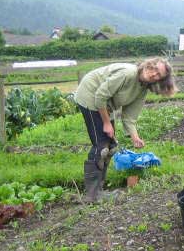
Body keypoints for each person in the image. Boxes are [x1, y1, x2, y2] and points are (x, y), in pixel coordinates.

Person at [74, 57, 177, 202]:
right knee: (102, 146)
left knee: (111, 147)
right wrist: (106, 123)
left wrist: (135, 137)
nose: (154, 74)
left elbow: (129, 117)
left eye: (159, 74)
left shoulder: (142, 89)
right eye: (154, 68)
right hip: (91, 94)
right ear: (148, 65)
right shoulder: (128, 74)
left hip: (104, 103)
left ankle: (99, 190)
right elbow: (100, 95)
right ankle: (92, 195)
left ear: (160, 80)